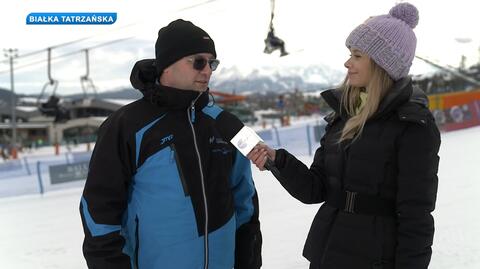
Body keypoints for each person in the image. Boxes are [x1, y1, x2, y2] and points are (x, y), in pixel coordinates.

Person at [248, 3, 440, 269]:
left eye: (357, 55)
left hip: (374, 259)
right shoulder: (343, 116)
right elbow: (316, 189)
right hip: (328, 253)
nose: (347, 62)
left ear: (382, 63)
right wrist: (278, 161)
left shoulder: (412, 125)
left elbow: (416, 215)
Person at [80, 19, 262, 269]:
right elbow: (100, 213)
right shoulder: (126, 125)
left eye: (212, 63)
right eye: (199, 61)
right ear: (167, 65)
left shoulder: (224, 123)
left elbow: (245, 203)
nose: (207, 70)